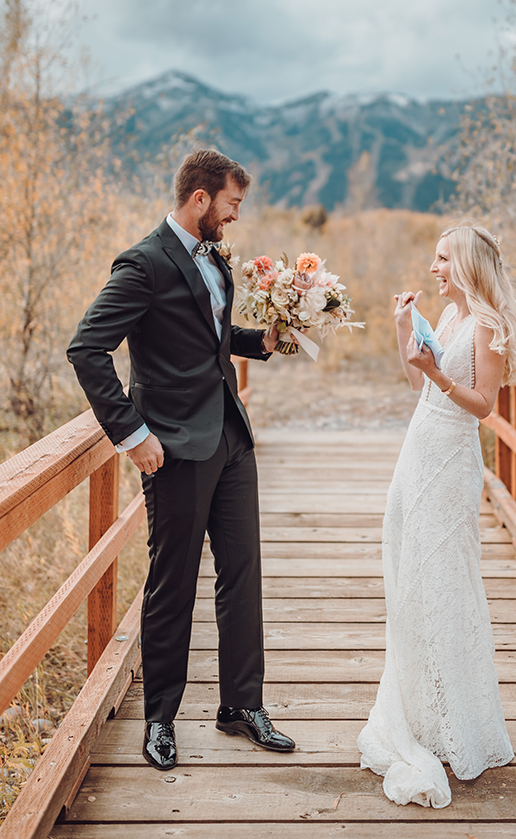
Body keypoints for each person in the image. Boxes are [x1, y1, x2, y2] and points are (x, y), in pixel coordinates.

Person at [67, 148, 296, 771]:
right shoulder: (142, 264)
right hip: (171, 449)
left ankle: (242, 705)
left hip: (229, 438)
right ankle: (160, 719)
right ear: (200, 199)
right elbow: (87, 349)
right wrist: (132, 433)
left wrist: (264, 341)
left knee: (242, 575)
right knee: (172, 587)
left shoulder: (213, 256)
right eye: (231, 204)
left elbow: (212, 339)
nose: (235, 217)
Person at [357, 224, 516, 807]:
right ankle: (422, 710)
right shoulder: (449, 319)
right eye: (433, 258)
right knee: (411, 575)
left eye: (441, 258)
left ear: (466, 265)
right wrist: (405, 328)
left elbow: (484, 405)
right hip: (419, 447)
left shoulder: (485, 324)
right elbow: (418, 382)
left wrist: (436, 373)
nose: (433, 267)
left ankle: (456, 719)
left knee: (444, 578)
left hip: (453, 456)